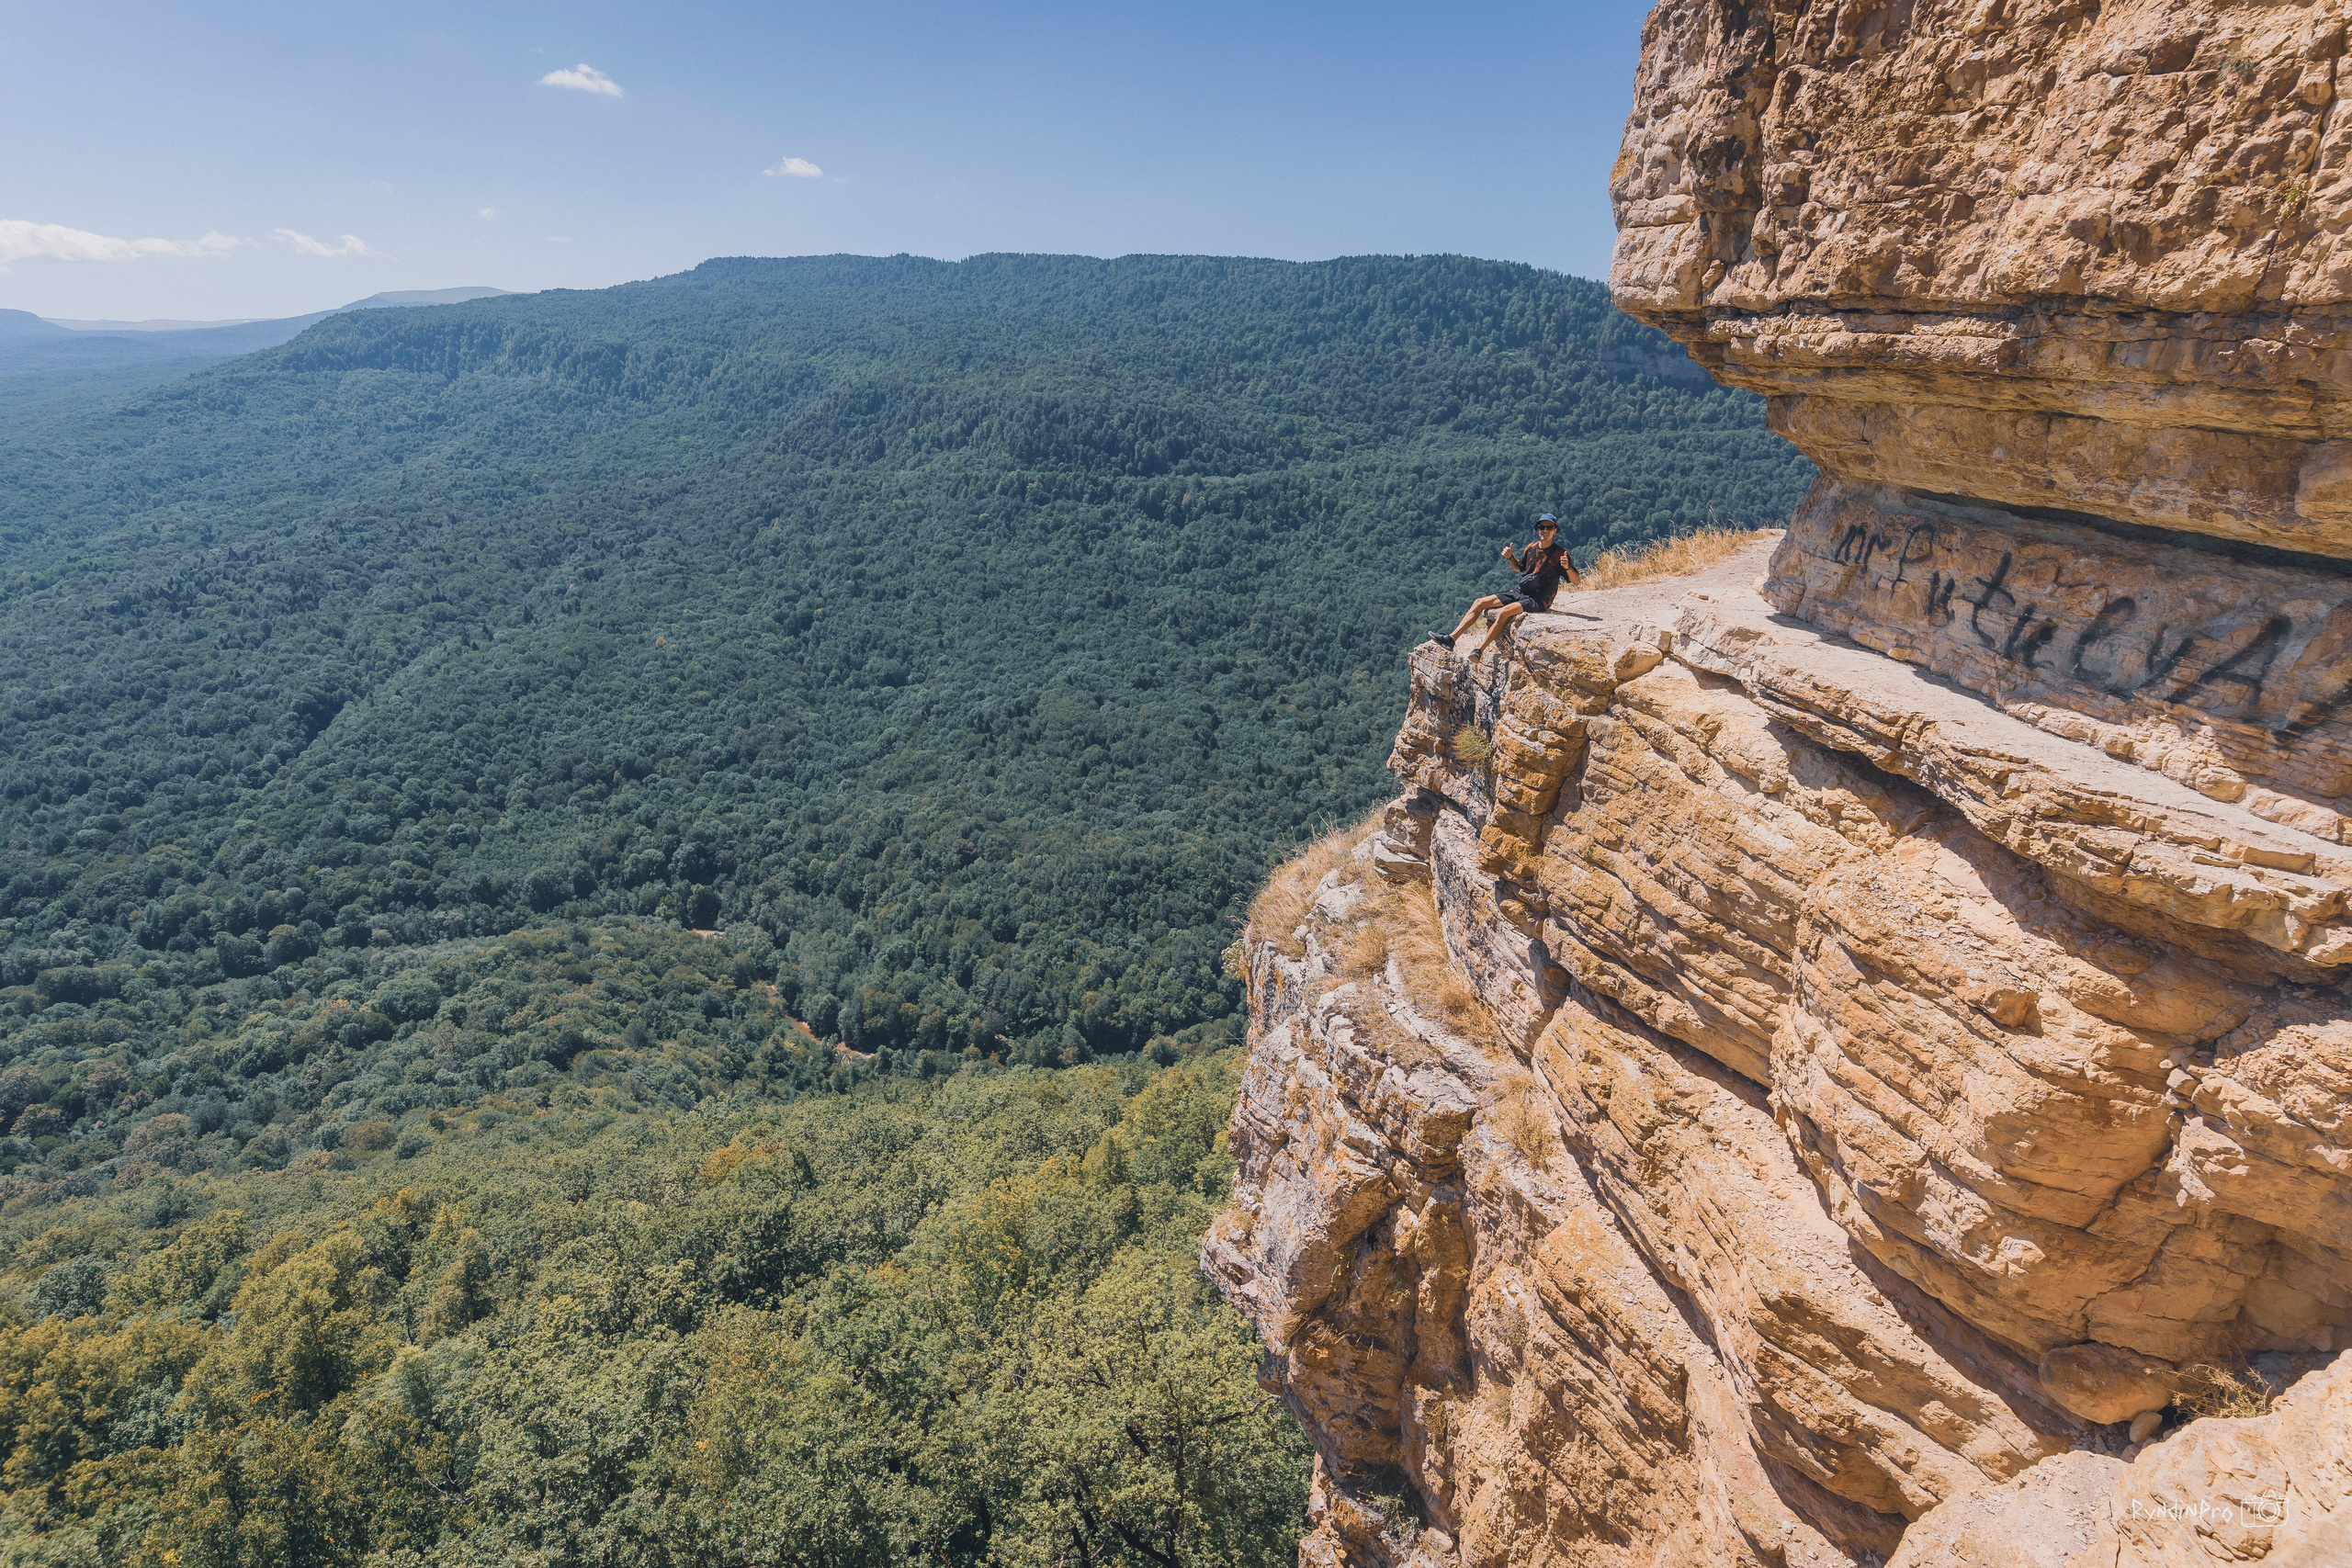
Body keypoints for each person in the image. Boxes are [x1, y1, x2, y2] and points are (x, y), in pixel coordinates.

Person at [1430, 513, 1579, 657]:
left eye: (1549, 527)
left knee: (1504, 612)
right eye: (1541, 527)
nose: (1544, 530)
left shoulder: (1560, 553)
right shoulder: (1531, 547)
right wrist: (1510, 558)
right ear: (1537, 529)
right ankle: (1451, 639)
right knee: (1479, 602)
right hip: (1521, 592)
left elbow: (1576, 581)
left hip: (1539, 600)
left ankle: (1479, 650)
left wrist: (1567, 568)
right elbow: (1519, 568)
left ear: (1555, 530)